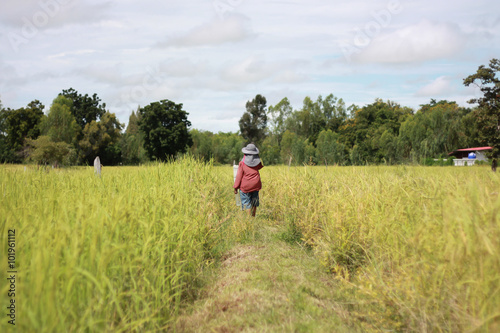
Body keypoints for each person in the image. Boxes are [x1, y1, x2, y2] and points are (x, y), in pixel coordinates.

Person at [233, 143, 264, 217]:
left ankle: (248, 220)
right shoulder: (257, 163)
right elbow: (261, 166)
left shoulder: (242, 163)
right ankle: (253, 217)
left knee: (247, 202)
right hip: (256, 185)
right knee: (254, 202)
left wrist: (236, 187)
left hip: (245, 186)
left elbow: (239, 176)